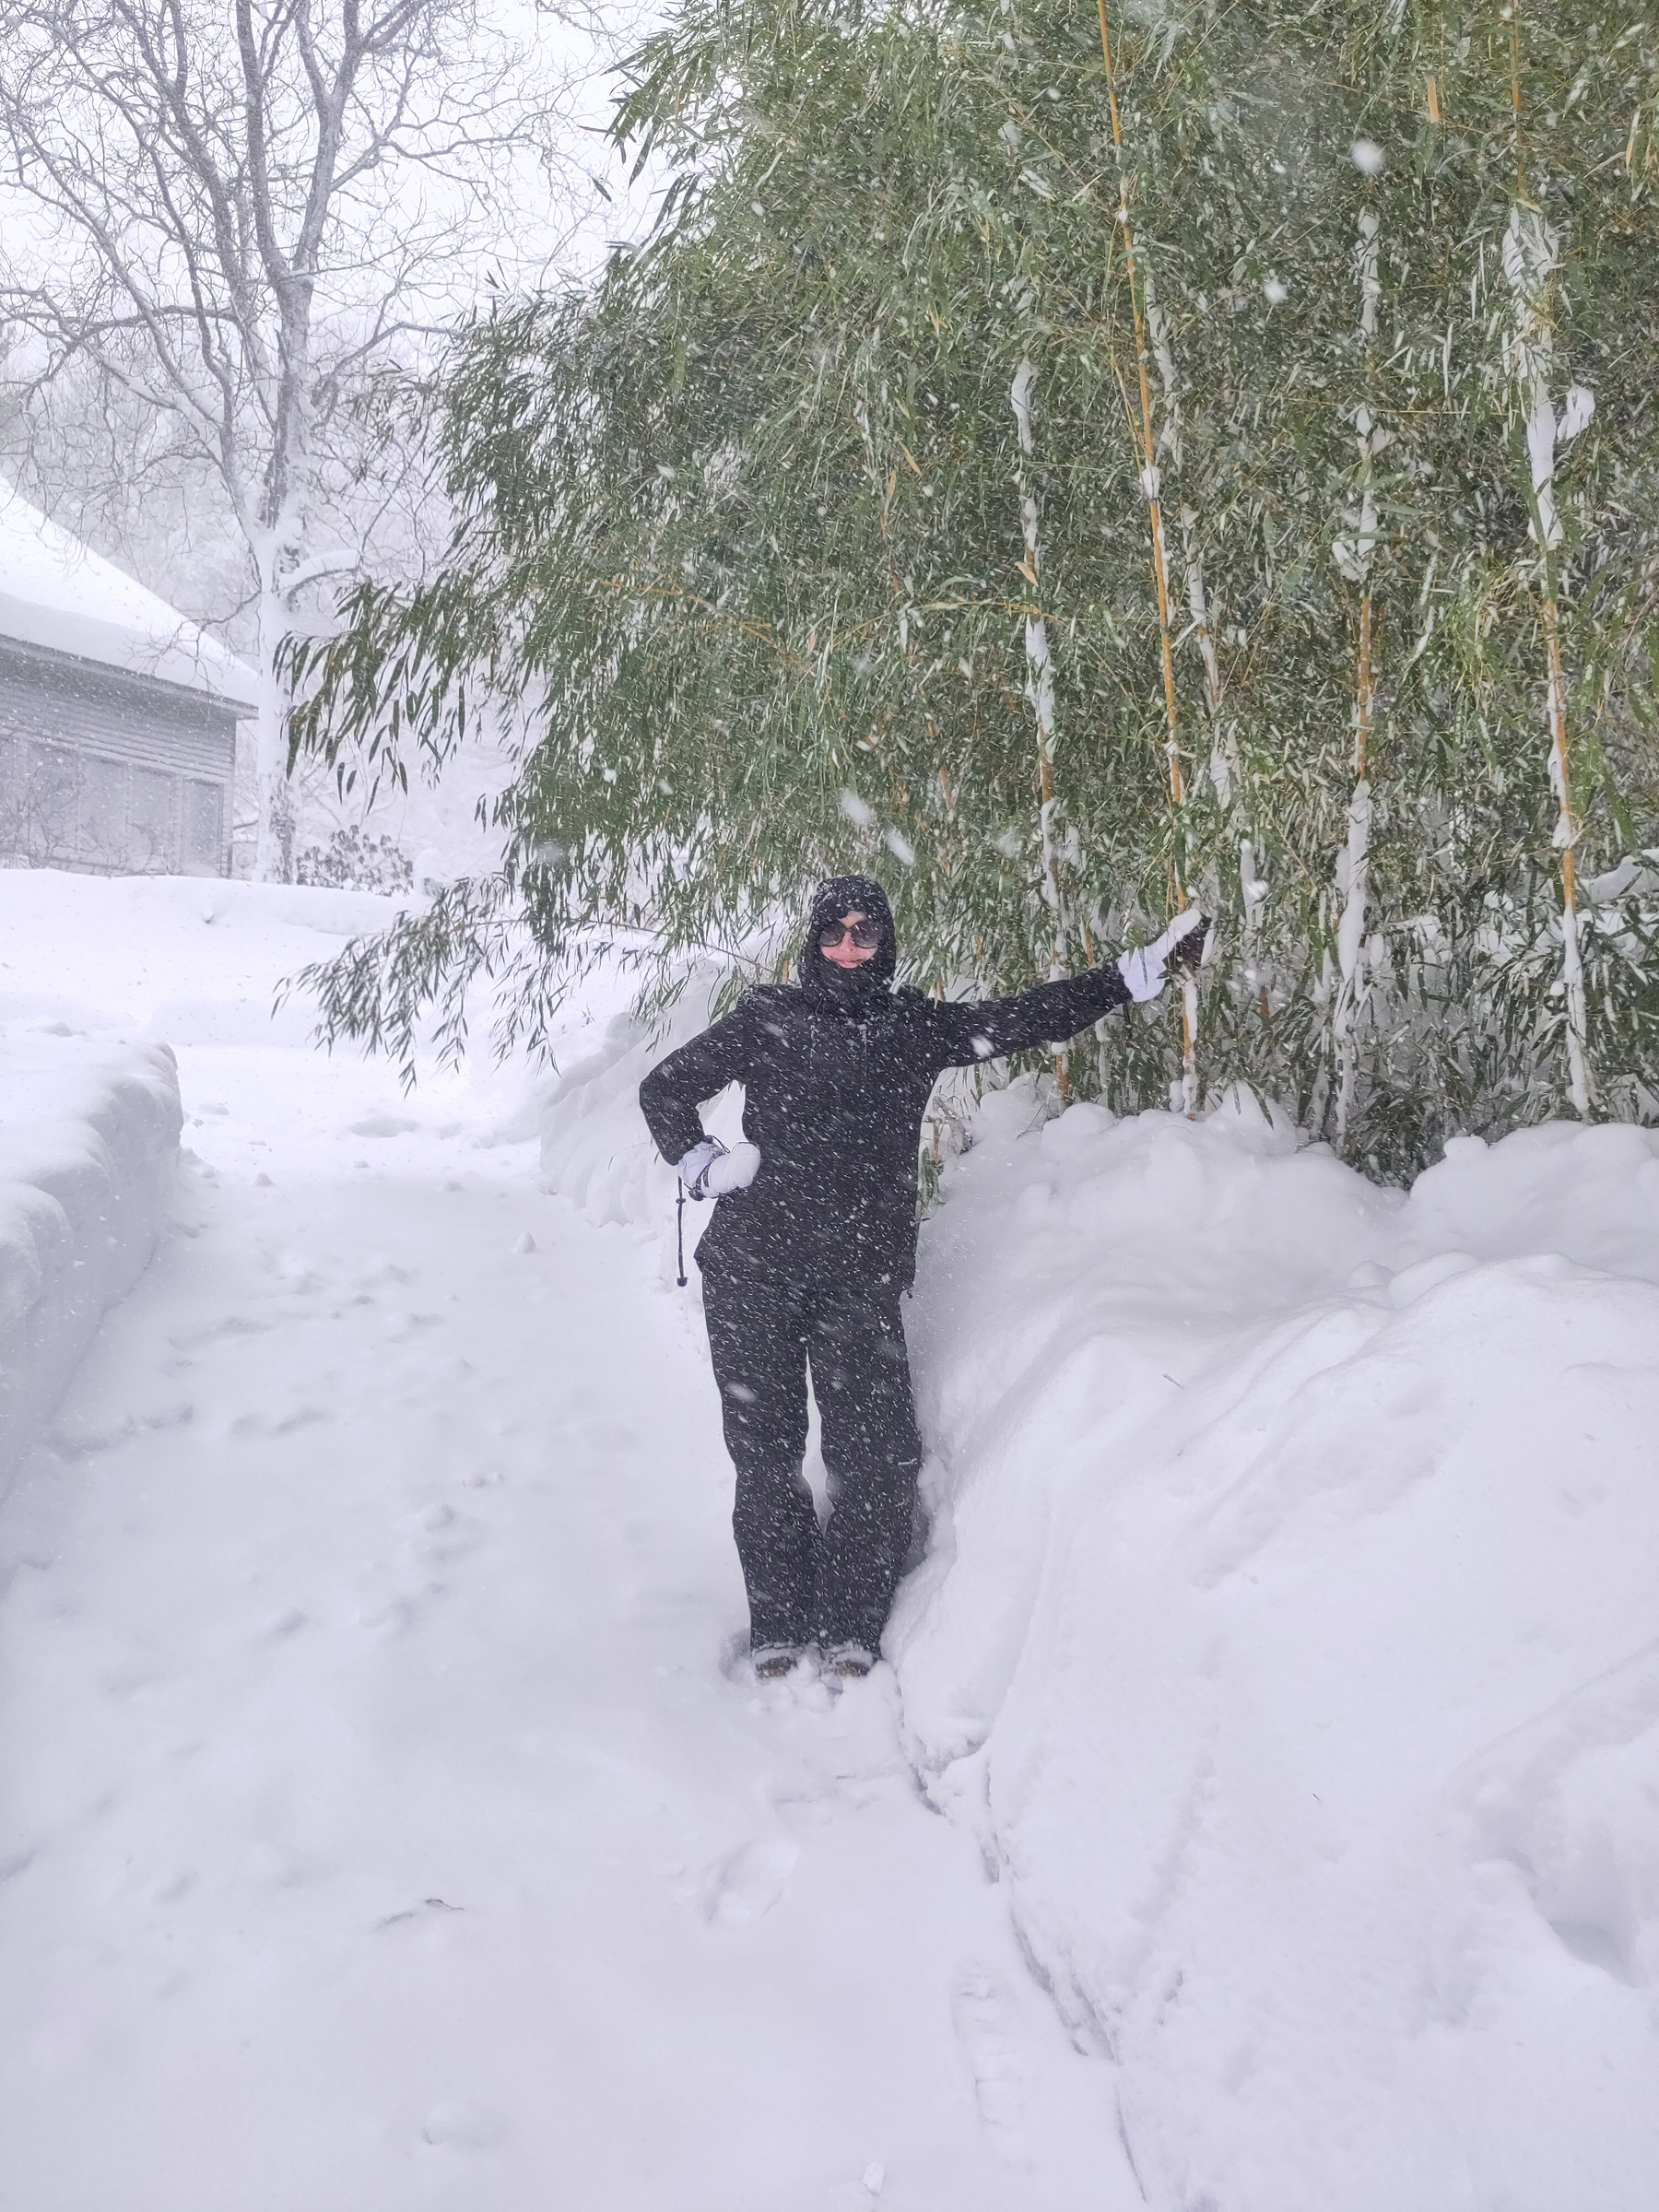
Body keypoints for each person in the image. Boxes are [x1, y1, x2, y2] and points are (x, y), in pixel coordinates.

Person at [639, 874, 1207, 1682]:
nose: (846, 948)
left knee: (876, 1459)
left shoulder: (913, 1028)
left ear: (885, 942)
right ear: (812, 941)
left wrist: (1129, 974)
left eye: (863, 934)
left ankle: (848, 1624)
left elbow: (1025, 1018)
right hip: (752, 1269)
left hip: (856, 1278)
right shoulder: (768, 1018)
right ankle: (777, 1621)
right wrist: (701, 1166)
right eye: (833, 933)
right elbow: (664, 1090)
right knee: (765, 1453)